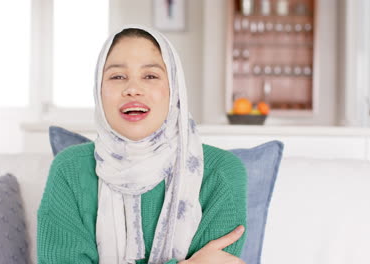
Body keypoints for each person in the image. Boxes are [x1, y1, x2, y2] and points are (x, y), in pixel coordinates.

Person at [37, 24, 247, 264]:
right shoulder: (70, 170)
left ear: (174, 89)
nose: (133, 89)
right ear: (98, 89)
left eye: (150, 76)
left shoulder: (222, 173)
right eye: (117, 76)